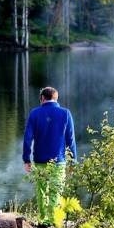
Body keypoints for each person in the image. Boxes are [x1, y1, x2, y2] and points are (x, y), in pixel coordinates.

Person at [22, 86, 78, 220]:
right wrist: (73, 161)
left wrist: (26, 159)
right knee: (55, 191)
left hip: (40, 161)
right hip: (59, 162)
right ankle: (52, 221)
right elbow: (71, 140)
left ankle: (42, 219)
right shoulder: (65, 113)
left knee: (41, 192)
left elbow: (27, 138)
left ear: (42, 98)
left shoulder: (34, 113)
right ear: (56, 98)